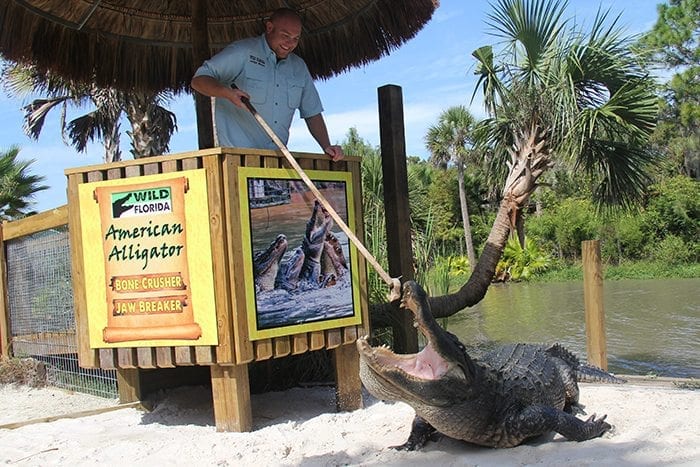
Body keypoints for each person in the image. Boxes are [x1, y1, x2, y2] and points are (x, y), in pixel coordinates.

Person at [191, 8, 344, 161]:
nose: (290, 44)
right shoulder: (243, 52)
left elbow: (313, 113)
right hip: (237, 160)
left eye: (295, 39)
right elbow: (198, 80)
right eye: (285, 36)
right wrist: (227, 93)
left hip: (278, 161)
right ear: (269, 28)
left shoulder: (299, 67)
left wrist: (326, 146)